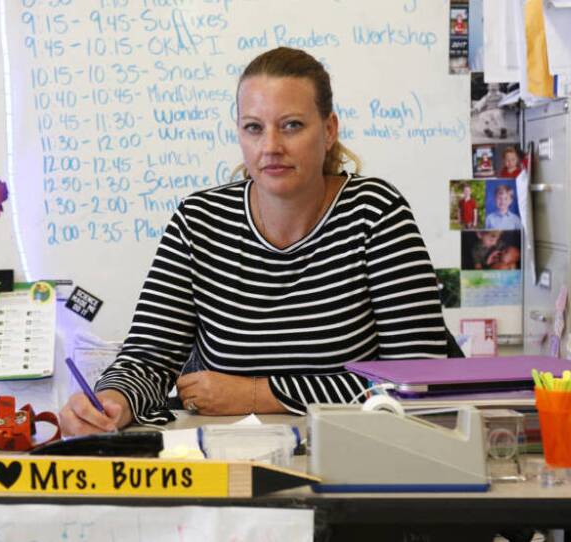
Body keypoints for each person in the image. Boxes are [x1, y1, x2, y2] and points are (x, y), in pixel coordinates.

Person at [59, 47, 447, 436]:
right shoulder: (198, 221)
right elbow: (147, 358)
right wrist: (113, 400)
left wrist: (259, 394)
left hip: (355, 454)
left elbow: (416, 379)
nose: (271, 146)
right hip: (223, 458)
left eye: (292, 125)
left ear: (329, 130)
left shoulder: (375, 212)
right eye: (253, 127)